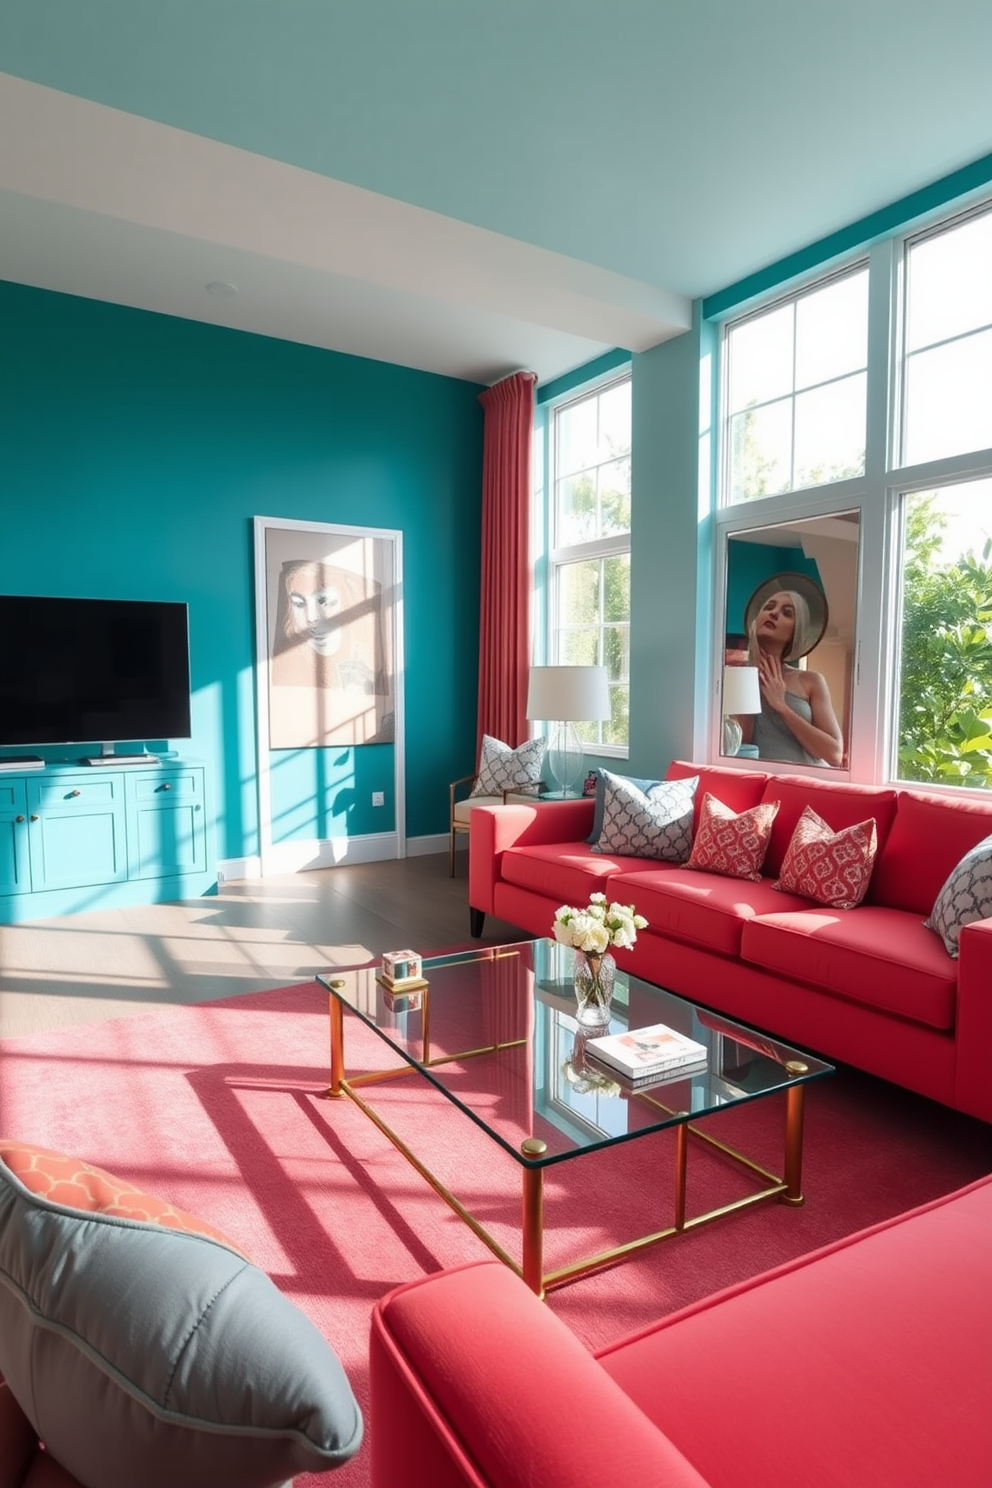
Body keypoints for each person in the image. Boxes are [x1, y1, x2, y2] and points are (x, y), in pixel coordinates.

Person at [736, 575, 844, 767]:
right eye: (768, 607)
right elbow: (742, 748)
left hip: (809, 785)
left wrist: (781, 706)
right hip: (767, 784)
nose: (774, 613)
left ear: (795, 631)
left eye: (787, 613)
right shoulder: (740, 680)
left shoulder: (811, 681)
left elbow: (834, 754)